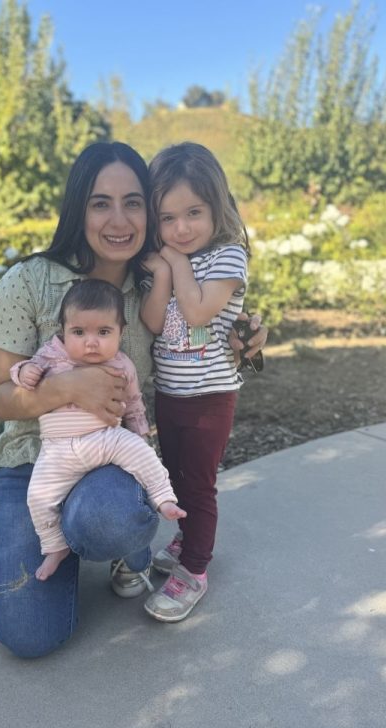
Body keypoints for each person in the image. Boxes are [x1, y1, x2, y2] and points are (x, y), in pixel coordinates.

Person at [0, 141, 267, 658]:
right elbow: (0, 397)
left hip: (108, 457)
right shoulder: (29, 280)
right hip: (32, 463)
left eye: (133, 202)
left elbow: (205, 324)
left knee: (109, 516)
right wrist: (65, 387)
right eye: (100, 203)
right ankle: (75, 536)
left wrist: (248, 338)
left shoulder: (152, 284)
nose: (119, 219)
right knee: (29, 638)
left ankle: (112, 540)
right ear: (77, 208)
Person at [140, 141, 255, 623]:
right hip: (170, 394)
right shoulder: (165, 263)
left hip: (211, 397)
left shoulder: (228, 256)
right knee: (175, 476)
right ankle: (187, 540)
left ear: (216, 207)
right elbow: (153, 322)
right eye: (167, 218)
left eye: (193, 213)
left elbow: (199, 311)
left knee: (200, 484)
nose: (181, 229)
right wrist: (164, 273)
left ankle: (195, 569)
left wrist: (175, 262)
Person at [9, 278, 185, 582]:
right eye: (79, 332)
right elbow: (21, 371)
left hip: (105, 438)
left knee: (141, 453)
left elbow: (134, 405)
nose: (91, 342)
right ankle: (55, 545)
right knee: (37, 496)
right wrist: (24, 371)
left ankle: (163, 497)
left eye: (103, 332)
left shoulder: (122, 365)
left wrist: (140, 435)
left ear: (120, 333)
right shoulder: (50, 354)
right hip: (58, 448)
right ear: (63, 331)